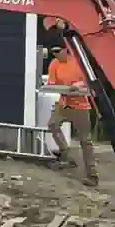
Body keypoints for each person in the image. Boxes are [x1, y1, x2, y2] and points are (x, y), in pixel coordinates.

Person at [41, 41, 101, 187]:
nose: (55, 54)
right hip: (63, 103)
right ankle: (65, 154)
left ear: (66, 50)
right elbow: (52, 83)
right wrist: (56, 88)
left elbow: (88, 81)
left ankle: (92, 175)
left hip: (80, 106)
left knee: (85, 141)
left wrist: (78, 86)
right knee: (53, 125)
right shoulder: (54, 64)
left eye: (58, 51)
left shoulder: (78, 62)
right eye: (53, 52)